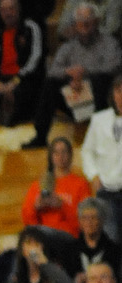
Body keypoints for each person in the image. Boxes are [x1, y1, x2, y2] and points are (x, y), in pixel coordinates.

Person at [24, 2, 121, 149]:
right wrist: (69, 74)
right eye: (81, 24)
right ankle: (40, 136)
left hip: (99, 100)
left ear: (96, 22)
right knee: (50, 84)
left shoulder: (109, 43)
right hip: (73, 99)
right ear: (75, 25)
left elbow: (114, 66)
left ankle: (102, 136)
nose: (85, 28)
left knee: (101, 80)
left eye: (88, 23)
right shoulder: (68, 47)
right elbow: (53, 71)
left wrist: (84, 73)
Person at [0, 0, 46, 127]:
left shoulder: (30, 28)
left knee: (21, 93)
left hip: (24, 78)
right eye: (4, 10)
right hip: (0, 80)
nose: (8, 13)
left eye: (11, 9)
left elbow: (35, 59)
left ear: (18, 9)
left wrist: (14, 82)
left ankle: (15, 126)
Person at [20, 137, 92, 239]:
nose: (60, 156)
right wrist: (35, 207)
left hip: (70, 237)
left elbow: (86, 220)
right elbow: (28, 221)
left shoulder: (81, 184)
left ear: (70, 155)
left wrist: (62, 206)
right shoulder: (39, 185)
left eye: (64, 152)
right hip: (44, 238)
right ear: (51, 156)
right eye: (56, 153)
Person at [80, 72, 122, 242]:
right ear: (112, 93)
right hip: (106, 191)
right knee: (110, 240)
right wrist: (93, 175)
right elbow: (87, 151)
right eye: (118, 90)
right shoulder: (99, 119)